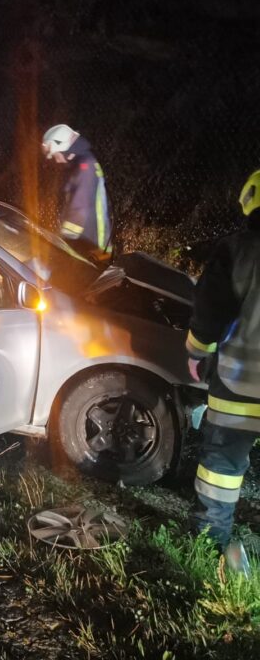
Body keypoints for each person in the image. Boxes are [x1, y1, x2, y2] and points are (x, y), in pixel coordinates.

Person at [186, 168, 260, 576]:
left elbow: (208, 314)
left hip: (238, 384)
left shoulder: (236, 250)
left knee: (222, 467)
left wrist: (195, 353)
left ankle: (210, 541)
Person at [41, 124, 112, 263]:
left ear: (62, 146)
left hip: (92, 246)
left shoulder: (84, 166)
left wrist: (61, 242)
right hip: (88, 242)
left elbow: (80, 208)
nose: (56, 160)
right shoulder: (82, 162)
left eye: (55, 155)